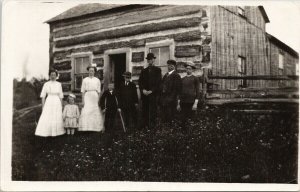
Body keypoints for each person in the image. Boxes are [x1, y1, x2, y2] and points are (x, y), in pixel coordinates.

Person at [35, 68, 65, 137]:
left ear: (56, 76)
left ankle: (57, 132)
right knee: (48, 115)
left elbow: (61, 95)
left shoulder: (59, 84)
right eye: (51, 75)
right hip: (49, 101)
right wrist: (43, 106)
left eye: (54, 75)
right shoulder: (46, 84)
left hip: (57, 101)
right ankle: (47, 131)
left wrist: (61, 105)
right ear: (49, 76)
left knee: (56, 115)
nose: (53, 76)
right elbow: (43, 96)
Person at [138, 53, 162, 129]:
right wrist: (143, 90)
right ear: (147, 61)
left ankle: (152, 128)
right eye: (149, 59)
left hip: (153, 95)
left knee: (153, 111)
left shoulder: (158, 70)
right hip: (145, 95)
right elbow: (140, 82)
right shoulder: (143, 71)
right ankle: (145, 127)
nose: (150, 60)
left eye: (152, 59)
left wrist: (152, 91)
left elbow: (159, 82)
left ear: (154, 60)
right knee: (145, 111)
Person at [79, 64, 104, 132]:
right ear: (88, 71)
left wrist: (98, 99)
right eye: (90, 71)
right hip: (87, 96)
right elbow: (82, 91)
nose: (91, 72)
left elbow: (99, 91)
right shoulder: (85, 80)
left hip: (94, 96)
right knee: (86, 110)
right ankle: (86, 127)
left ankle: (95, 128)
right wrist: (83, 100)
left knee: (95, 110)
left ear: (94, 72)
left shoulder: (97, 80)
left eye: (92, 71)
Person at [177, 61, 200, 132]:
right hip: (183, 102)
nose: (188, 70)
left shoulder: (195, 78)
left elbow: (197, 91)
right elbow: (179, 92)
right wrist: (178, 103)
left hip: (191, 102)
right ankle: (183, 133)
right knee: (183, 118)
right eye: (187, 68)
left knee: (192, 118)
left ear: (192, 69)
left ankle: (192, 133)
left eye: (189, 69)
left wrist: (195, 103)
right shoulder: (182, 79)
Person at [160, 59, 182, 125]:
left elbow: (177, 89)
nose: (169, 67)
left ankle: (171, 130)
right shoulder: (166, 75)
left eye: (171, 65)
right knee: (164, 115)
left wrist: (171, 98)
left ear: (174, 66)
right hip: (164, 98)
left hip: (171, 99)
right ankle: (165, 129)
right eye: (168, 65)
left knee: (171, 115)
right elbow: (162, 84)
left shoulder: (176, 75)